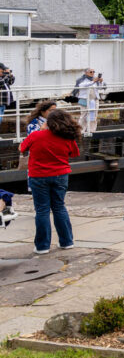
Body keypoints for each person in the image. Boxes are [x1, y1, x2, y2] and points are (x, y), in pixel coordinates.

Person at [19, 108, 80, 254]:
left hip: (38, 176)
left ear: (48, 122)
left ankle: (42, 246)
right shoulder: (67, 137)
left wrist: (41, 130)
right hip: (60, 175)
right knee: (59, 207)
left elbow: (21, 148)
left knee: (42, 210)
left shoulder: (36, 136)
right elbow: (74, 154)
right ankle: (66, 242)